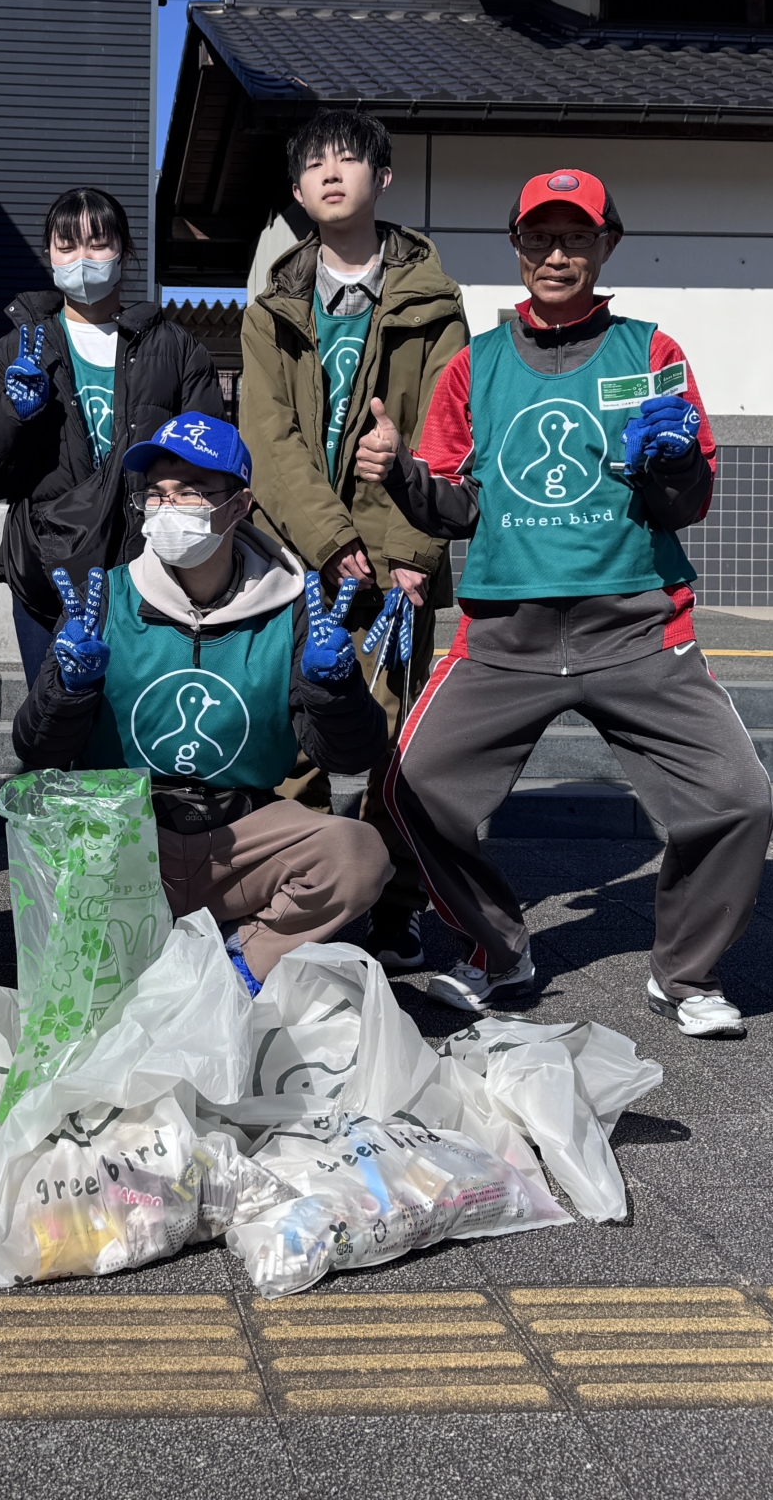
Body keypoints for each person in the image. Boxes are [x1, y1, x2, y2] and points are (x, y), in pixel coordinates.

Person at [356, 167, 771, 1037]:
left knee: (737, 799)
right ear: (516, 250)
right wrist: (396, 470)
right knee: (410, 785)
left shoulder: (651, 352)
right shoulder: (477, 365)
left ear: (605, 246)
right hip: (503, 631)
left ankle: (685, 975)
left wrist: (677, 463)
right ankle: (496, 947)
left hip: (637, 626)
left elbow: (687, 503)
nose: (557, 253)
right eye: (540, 237)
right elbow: (453, 503)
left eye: (577, 236)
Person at [13, 412, 394, 992]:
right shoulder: (104, 601)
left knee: (357, 853)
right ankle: (136, 952)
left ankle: (244, 960)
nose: (170, 508)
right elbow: (35, 748)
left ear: (239, 506)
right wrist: (69, 687)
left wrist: (334, 688)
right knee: (47, 837)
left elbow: (348, 755)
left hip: (243, 829)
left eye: (192, 491)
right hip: (129, 833)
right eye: (158, 494)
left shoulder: (290, 608)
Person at [238, 110, 468, 975]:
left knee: (396, 746)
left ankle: (399, 910)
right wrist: (332, 543)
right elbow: (268, 440)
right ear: (297, 192)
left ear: (383, 179)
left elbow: (450, 432)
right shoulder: (272, 311)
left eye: (350, 160)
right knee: (291, 735)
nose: (333, 174)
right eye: (315, 165)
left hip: (400, 564)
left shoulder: (435, 303)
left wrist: (414, 546)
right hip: (298, 556)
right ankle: (296, 901)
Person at [0, 185, 225, 682]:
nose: (83, 259)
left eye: (98, 243)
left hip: (151, 577)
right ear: (50, 256)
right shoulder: (17, 349)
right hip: (46, 579)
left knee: (137, 731)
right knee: (56, 727)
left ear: (125, 251)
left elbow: (206, 466)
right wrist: (17, 414)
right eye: (68, 246)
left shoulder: (175, 347)